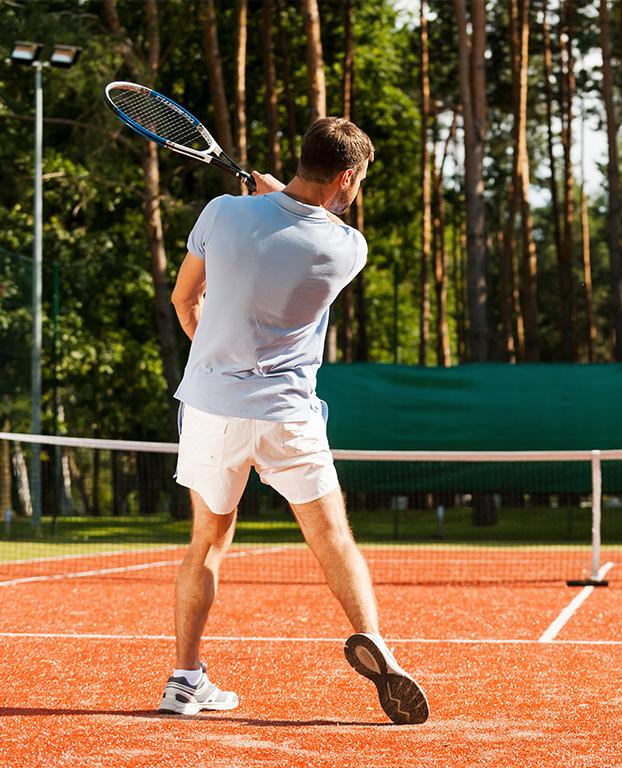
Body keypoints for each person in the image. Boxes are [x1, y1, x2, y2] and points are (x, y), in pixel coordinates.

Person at [159, 117, 428, 725]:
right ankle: (374, 641)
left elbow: (184, 299)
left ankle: (184, 680)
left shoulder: (222, 213)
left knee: (208, 541)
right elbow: (302, 226)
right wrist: (278, 200)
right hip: (287, 415)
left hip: (210, 408)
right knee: (333, 538)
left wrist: (215, 361)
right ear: (348, 177)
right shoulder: (346, 248)